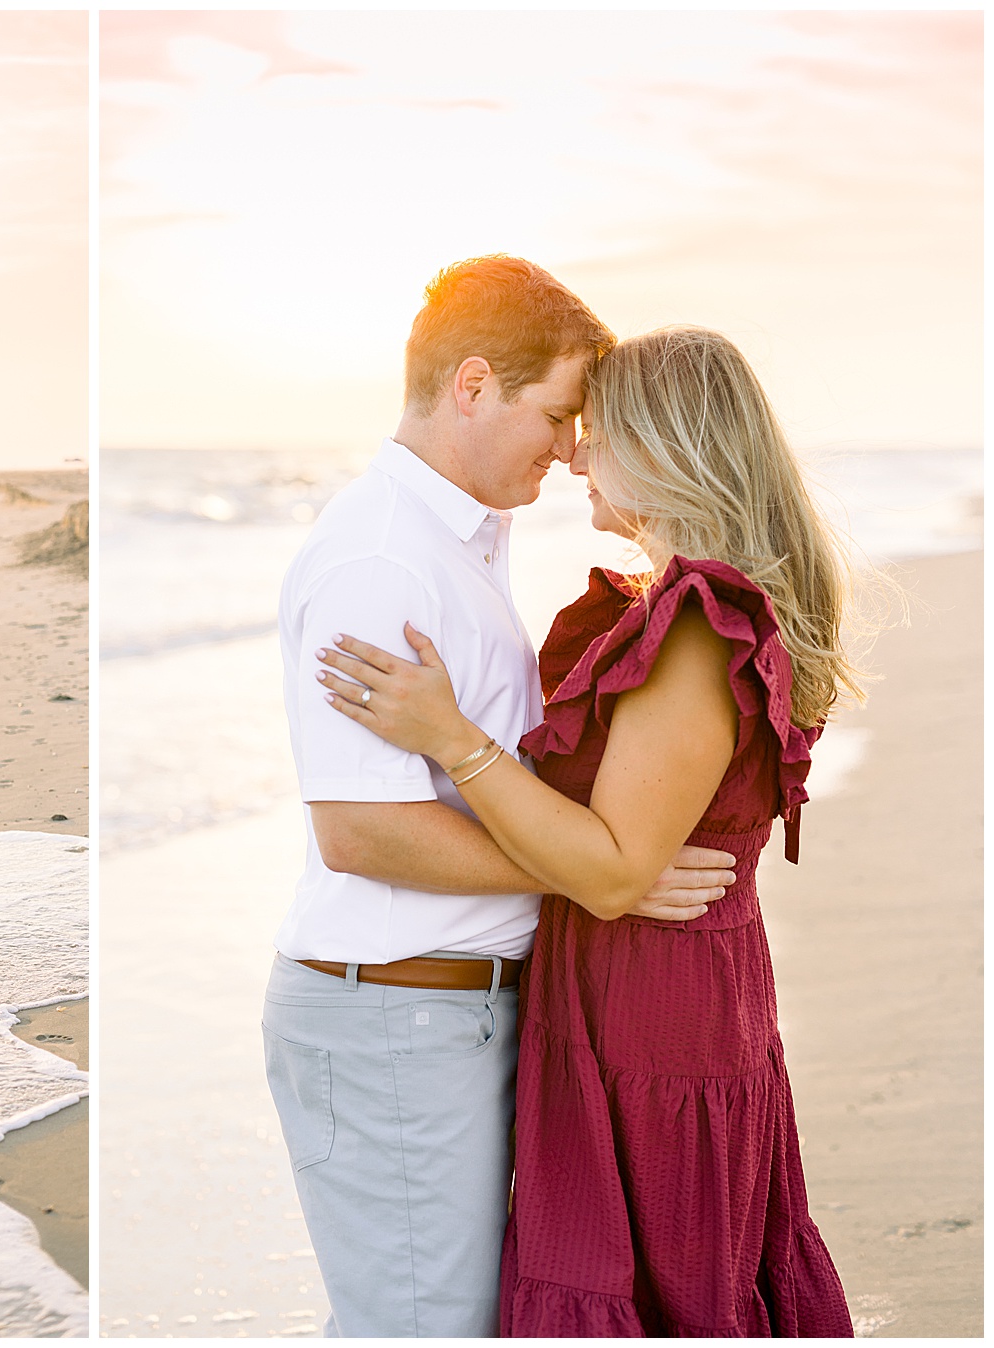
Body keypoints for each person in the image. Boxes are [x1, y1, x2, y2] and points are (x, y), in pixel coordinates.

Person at [317, 325, 856, 1335]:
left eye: (594, 432)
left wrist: (449, 734)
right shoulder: (673, 611)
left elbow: (611, 870)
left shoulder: (698, 628)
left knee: (661, 1293)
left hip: (654, 1015)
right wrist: (600, 868)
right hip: (653, 996)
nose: (573, 455)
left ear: (664, 448)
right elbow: (613, 857)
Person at [264, 256, 740, 1337]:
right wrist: (605, 871)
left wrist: (601, 865)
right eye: (561, 413)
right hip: (395, 1011)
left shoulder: (463, 538)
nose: (575, 447)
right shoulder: (382, 560)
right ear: (472, 386)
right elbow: (359, 829)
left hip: (452, 1009)